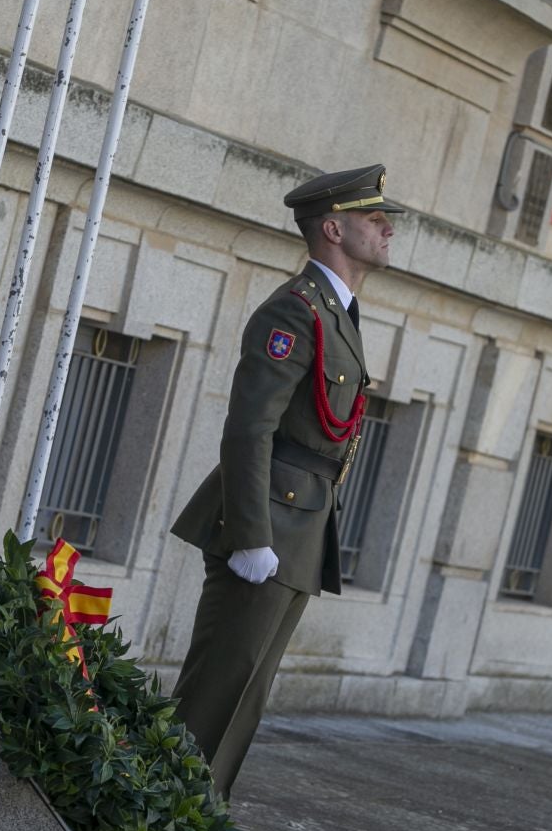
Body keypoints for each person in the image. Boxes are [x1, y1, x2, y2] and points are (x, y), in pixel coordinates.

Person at [169, 165, 405, 797]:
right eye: (373, 218)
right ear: (333, 228)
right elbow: (250, 429)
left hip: (301, 522)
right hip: (270, 523)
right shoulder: (295, 311)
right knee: (219, 686)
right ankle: (156, 819)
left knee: (246, 694)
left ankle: (192, 820)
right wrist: (250, 535)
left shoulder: (338, 311)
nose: (388, 228)